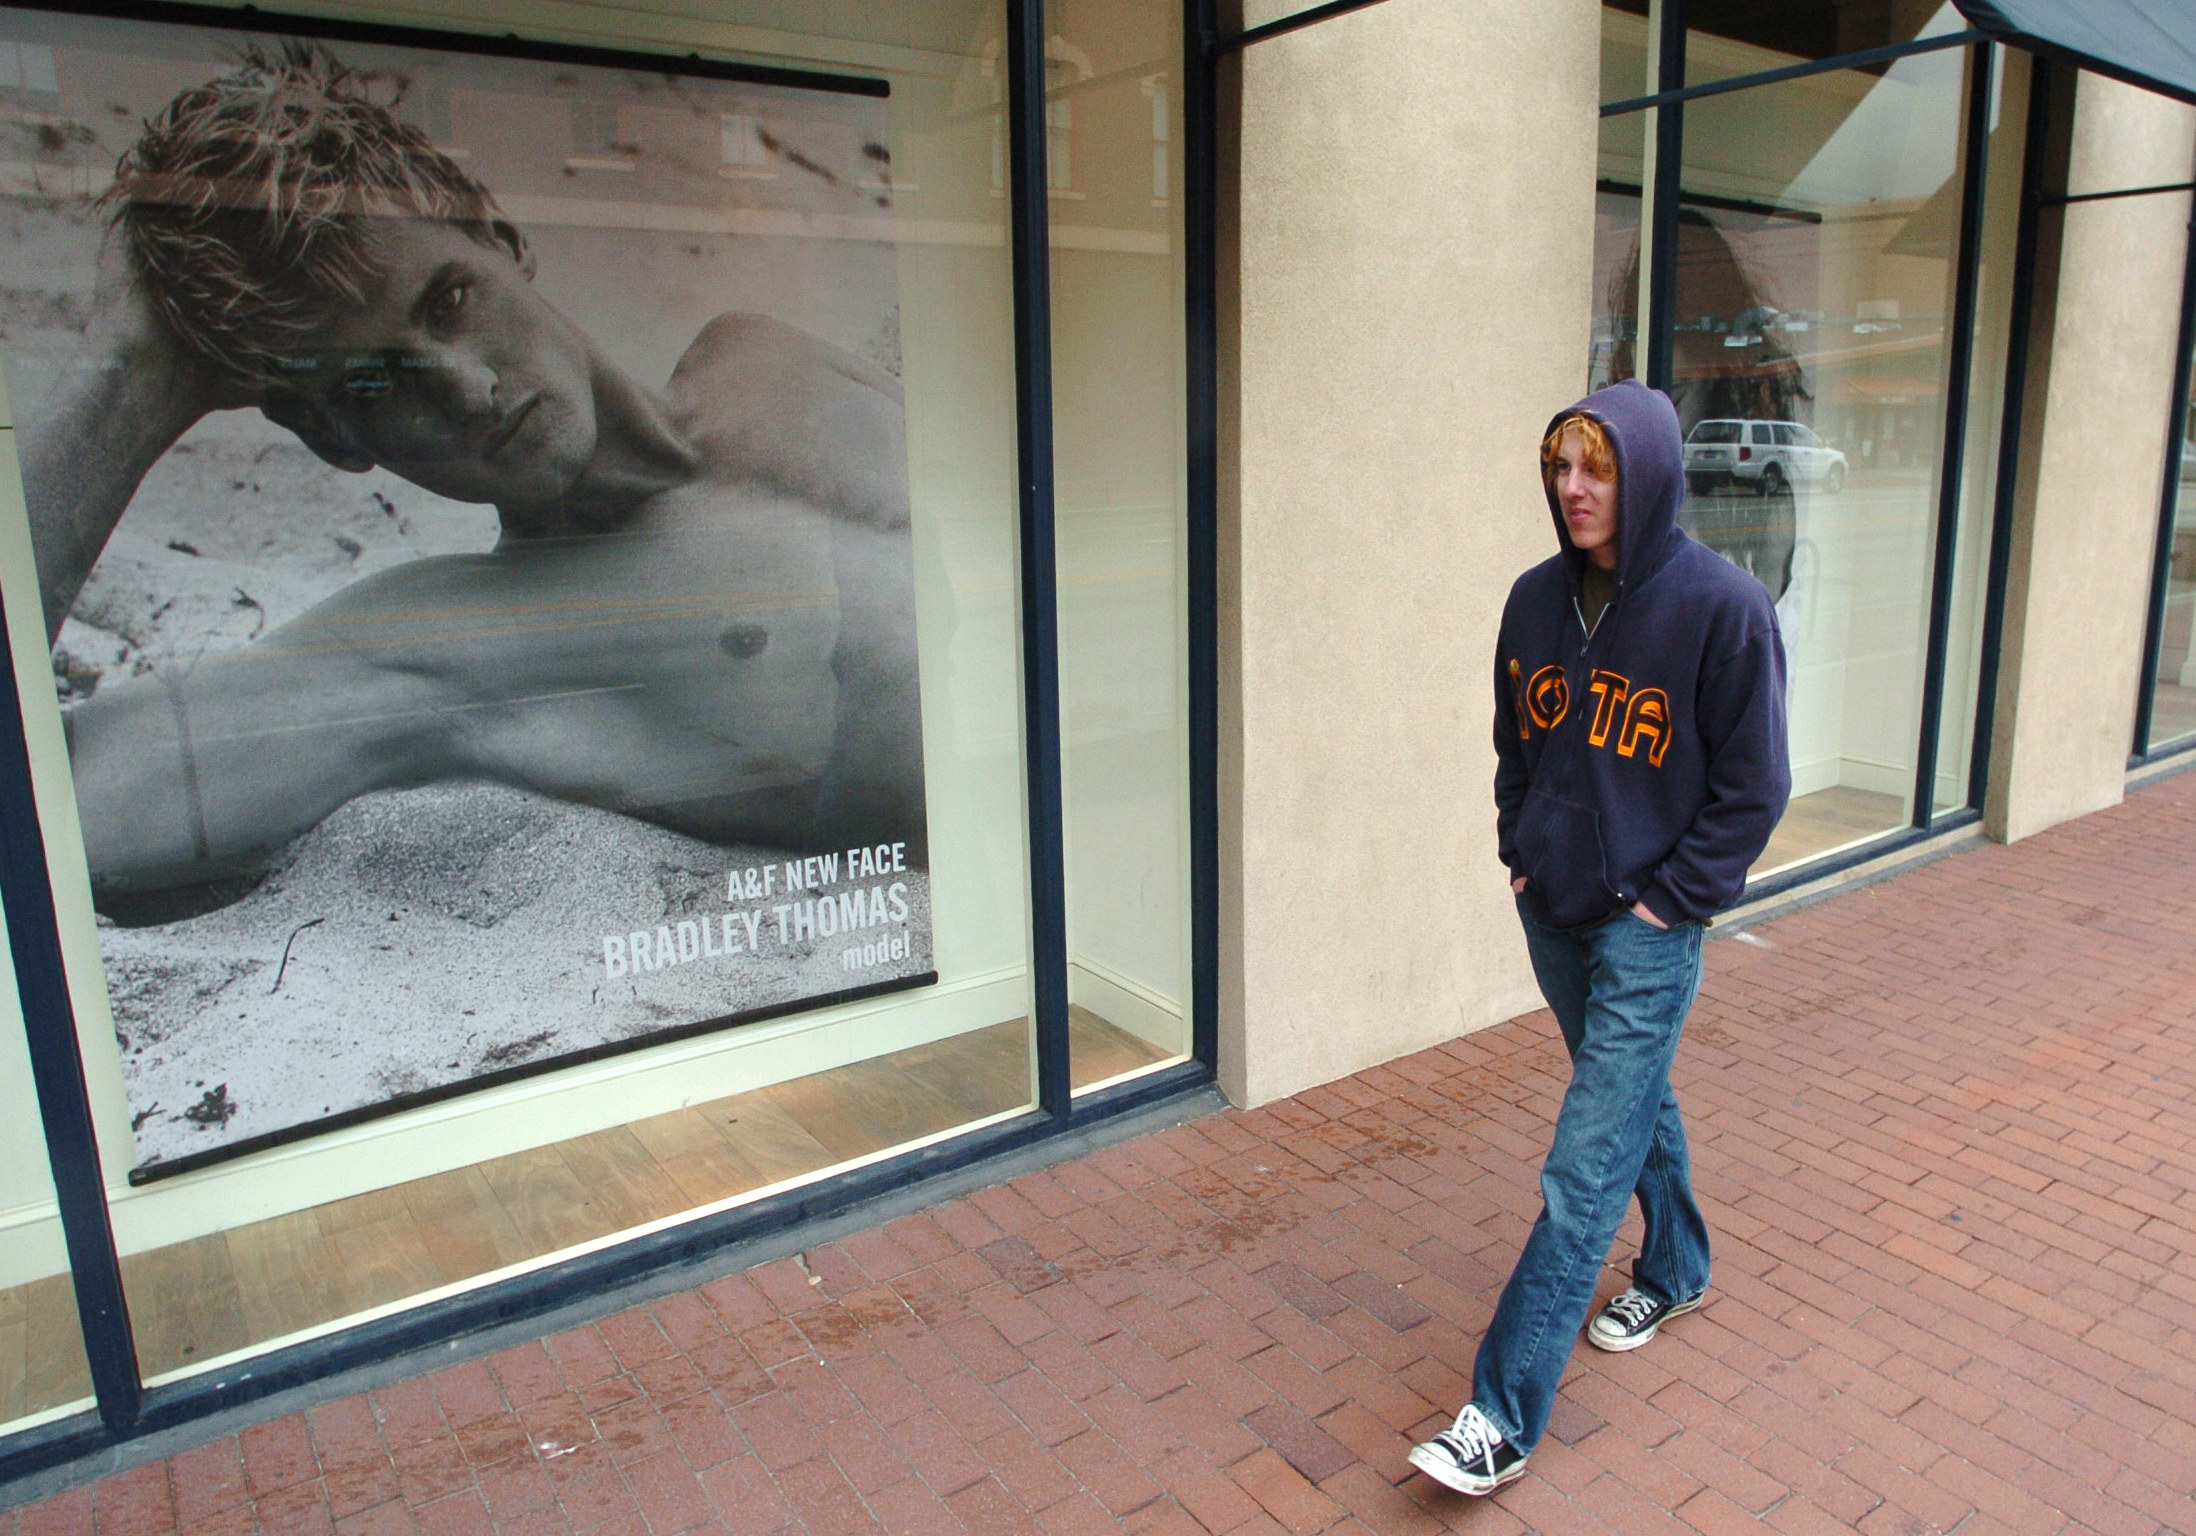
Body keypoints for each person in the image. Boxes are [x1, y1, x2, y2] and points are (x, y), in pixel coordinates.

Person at [24, 43, 924, 913]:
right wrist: (130, 373)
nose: (470, 389)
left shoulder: (763, 359)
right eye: (374, 381)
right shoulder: (452, 643)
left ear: (498, 234)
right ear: (332, 438)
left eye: (450, 300)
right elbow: (42, 809)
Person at [1407, 378, 1790, 1496]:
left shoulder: (1722, 609)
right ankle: (1677, 1264)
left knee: (1584, 1166)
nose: (1573, 488)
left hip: (1647, 928)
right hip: (1553, 908)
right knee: (1630, 1102)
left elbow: (1755, 787)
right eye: (1560, 466)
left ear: (1649, 473)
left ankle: (1500, 1414)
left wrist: (1671, 900)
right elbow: (1513, 740)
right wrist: (1517, 845)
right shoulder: (1534, 601)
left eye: (1598, 467)